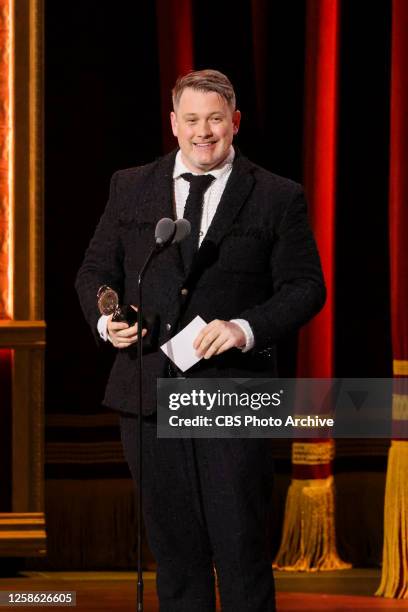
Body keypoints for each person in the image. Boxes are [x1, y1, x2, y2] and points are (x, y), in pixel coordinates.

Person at [76, 69, 325, 611]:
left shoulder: (277, 196)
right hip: (148, 393)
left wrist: (244, 328)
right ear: (173, 123)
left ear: (234, 122)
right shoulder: (131, 184)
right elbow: (95, 270)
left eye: (215, 119)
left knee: (240, 551)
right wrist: (108, 316)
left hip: (231, 393)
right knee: (177, 555)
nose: (203, 132)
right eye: (191, 120)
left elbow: (306, 288)